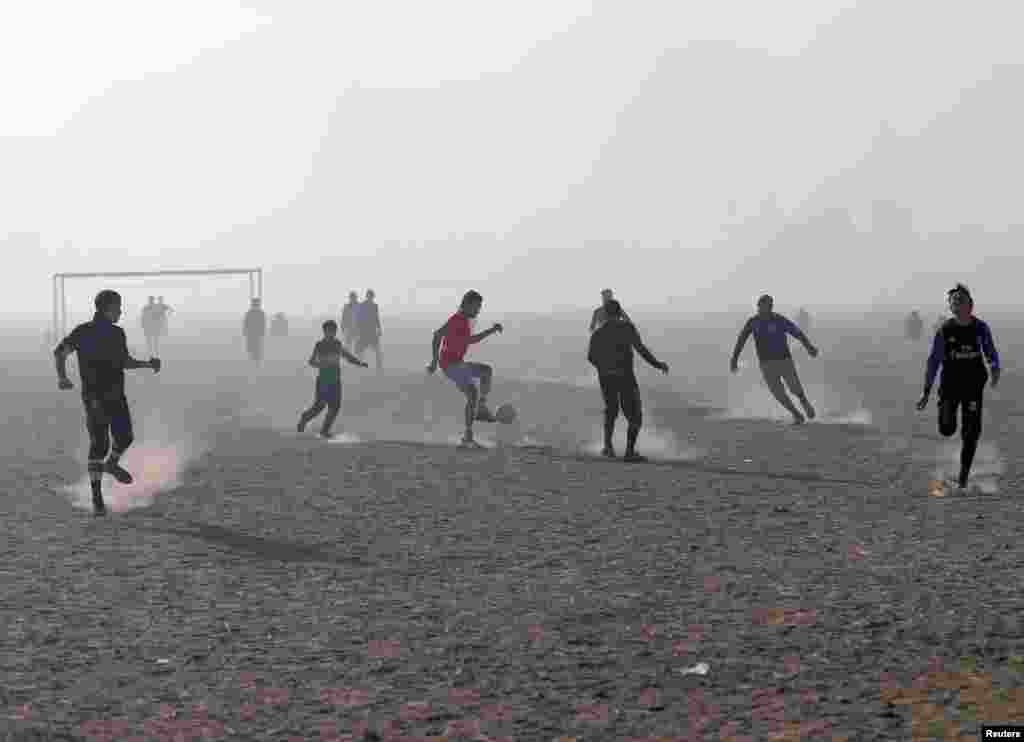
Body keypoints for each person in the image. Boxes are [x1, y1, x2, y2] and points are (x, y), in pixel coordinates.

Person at [54, 290, 161, 515]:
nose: (121, 311)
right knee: (99, 444)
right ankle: (97, 498)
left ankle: (112, 464)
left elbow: (124, 362)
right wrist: (62, 377)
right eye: (118, 307)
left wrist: (147, 365)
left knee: (125, 437)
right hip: (95, 397)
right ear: (107, 308)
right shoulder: (83, 332)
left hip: (115, 394)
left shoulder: (116, 333)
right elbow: (60, 352)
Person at [916, 284, 1000, 492]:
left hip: (973, 388)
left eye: (961, 300)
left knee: (971, 434)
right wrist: (926, 390)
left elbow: (990, 352)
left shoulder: (980, 328)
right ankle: (945, 414)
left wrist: (995, 367)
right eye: (953, 301)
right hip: (950, 387)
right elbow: (933, 361)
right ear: (950, 307)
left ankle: (963, 478)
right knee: (946, 429)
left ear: (970, 305)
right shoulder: (945, 330)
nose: (956, 303)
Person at [587, 299, 669, 461]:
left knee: (611, 410)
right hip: (625, 377)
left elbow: (591, 357)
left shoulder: (599, 332)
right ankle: (629, 452)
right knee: (635, 416)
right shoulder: (627, 328)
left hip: (607, 378)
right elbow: (641, 349)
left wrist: (604, 368)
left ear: (605, 315)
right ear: (619, 313)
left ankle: (608, 448)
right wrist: (657, 364)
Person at [427, 290, 504, 449]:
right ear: (467, 305)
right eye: (476, 307)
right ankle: (481, 409)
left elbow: (469, 340)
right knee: (485, 372)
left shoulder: (465, 320)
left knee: (472, 394)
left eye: (480, 307)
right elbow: (437, 335)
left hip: (455, 364)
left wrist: (490, 331)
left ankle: (468, 436)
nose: (478, 310)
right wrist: (434, 361)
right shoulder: (458, 319)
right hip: (450, 364)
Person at [730, 294, 819, 424]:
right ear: (758, 307)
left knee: (794, 387)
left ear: (770, 307)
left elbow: (796, 332)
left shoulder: (779, 319)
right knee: (778, 393)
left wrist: (809, 347)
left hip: (784, 360)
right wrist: (734, 359)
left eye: (766, 306)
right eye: (760, 306)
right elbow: (741, 340)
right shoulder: (753, 322)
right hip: (766, 364)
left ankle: (804, 402)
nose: (762, 309)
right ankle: (796, 414)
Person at [297, 320, 368, 438]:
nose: (331, 333)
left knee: (335, 406)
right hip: (323, 380)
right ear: (324, 331)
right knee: (319, 406)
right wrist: (322, 364)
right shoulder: (320, 345)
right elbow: (311, 361)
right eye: (329, 331)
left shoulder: (337, 344)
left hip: (335, 380)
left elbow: (347, 357)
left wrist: (360, 363)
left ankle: (324, 430)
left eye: (333, 331)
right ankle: (305, 418)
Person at [354, 289, 383, 369]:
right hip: (364, 331)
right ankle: (359, 364)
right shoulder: (362, 305)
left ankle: (379, 366)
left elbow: (376, 318)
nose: (370, 298)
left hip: (372, 331)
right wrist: (358, 329)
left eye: (371, 296)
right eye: (369, 296)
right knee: (360, 350)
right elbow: (358, 318)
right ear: (367, 296)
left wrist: (379, 328)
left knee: (377, 350)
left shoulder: (374, 306)